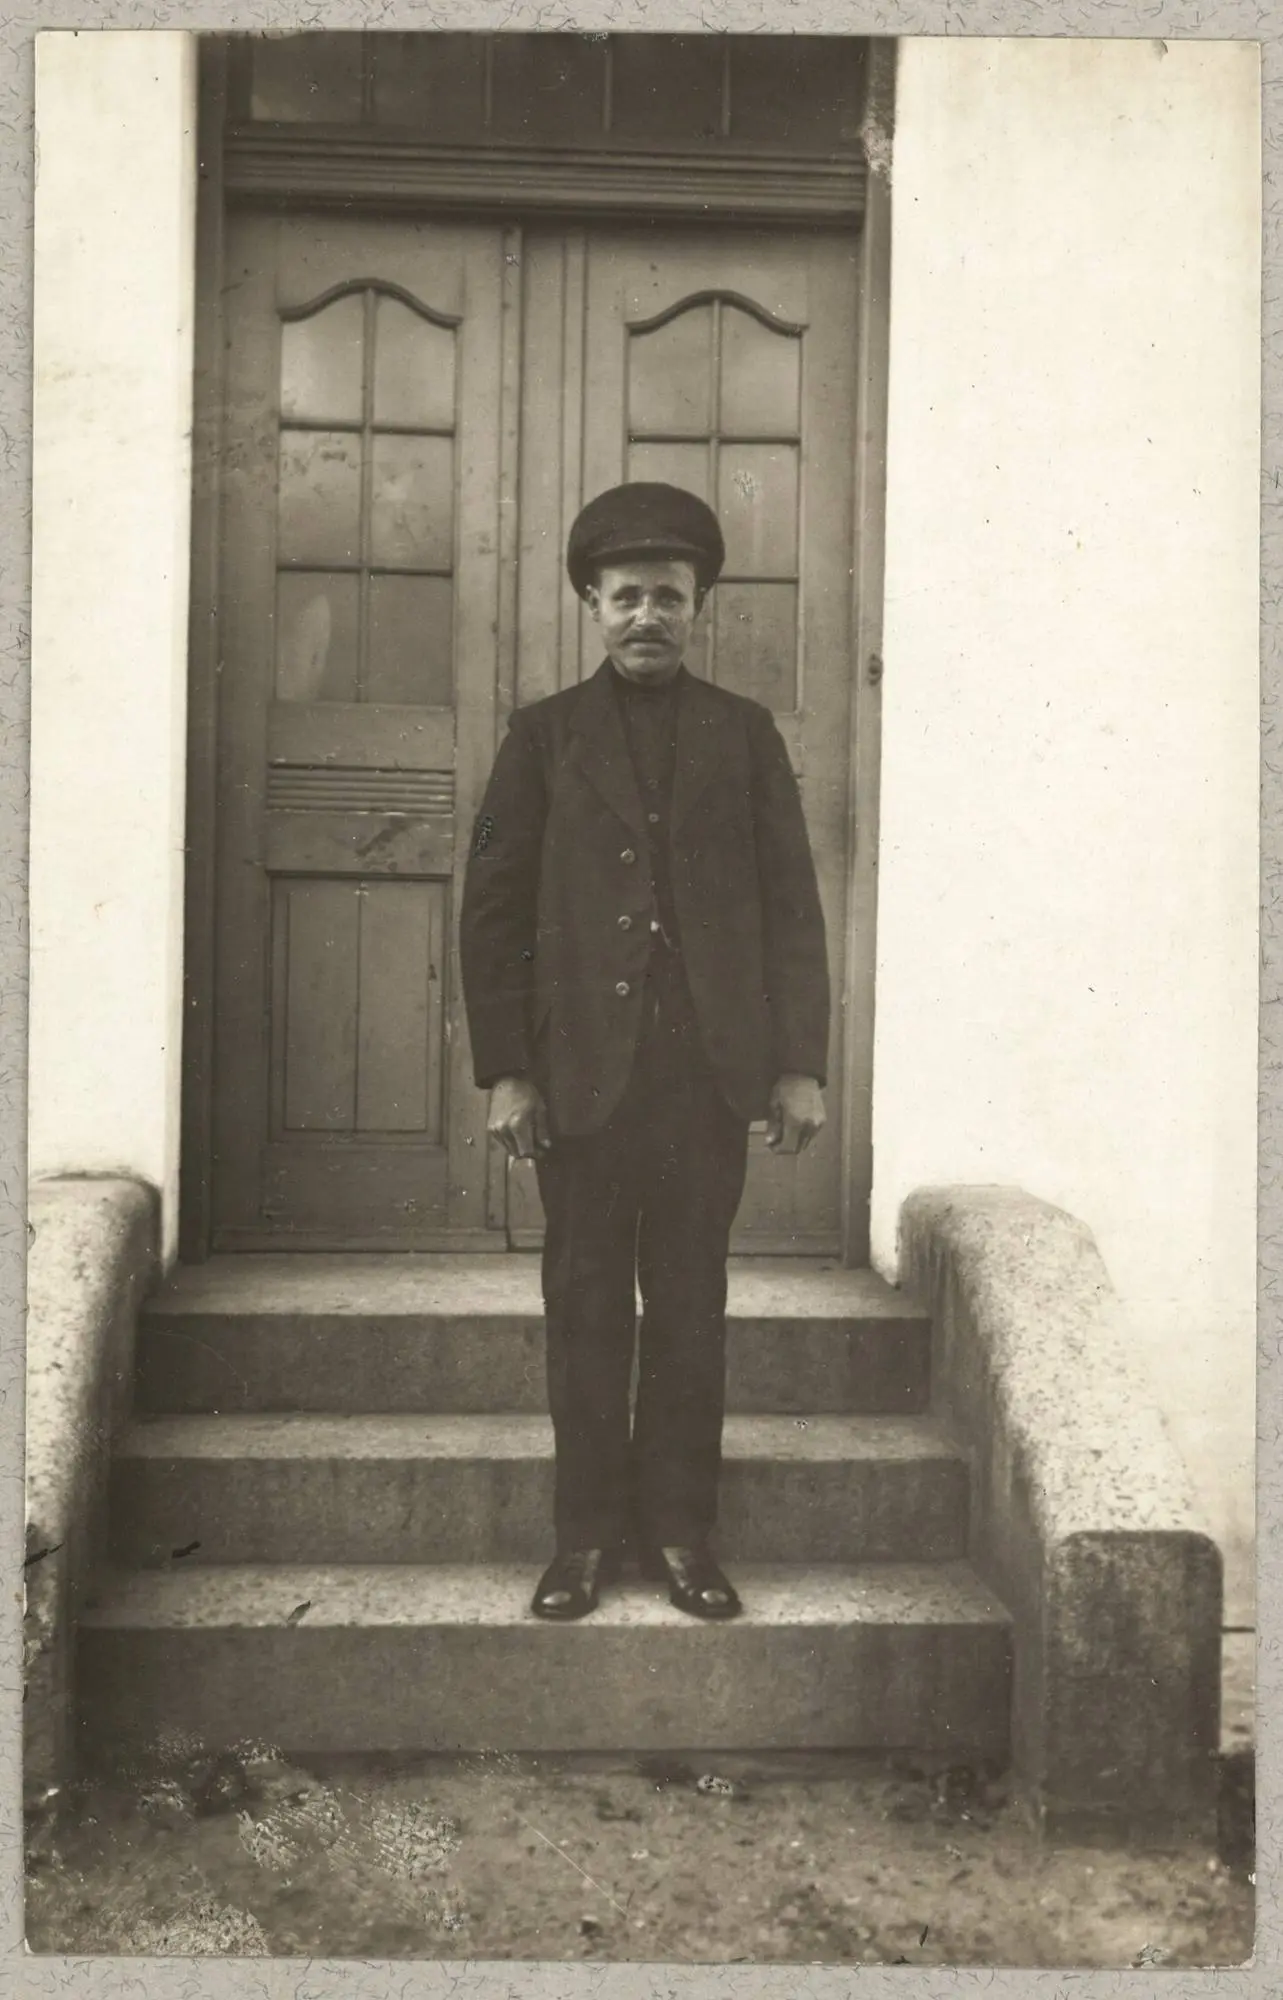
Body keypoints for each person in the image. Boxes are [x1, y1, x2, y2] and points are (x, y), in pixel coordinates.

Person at [460, 482, 829, 1622]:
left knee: (687, 1306)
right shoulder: (540, 736)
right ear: (592, 604)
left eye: (668, 597)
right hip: (581, 1079)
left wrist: (798, 1063)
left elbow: (791, 906)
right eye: (625, 597)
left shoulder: (745, 733)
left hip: (703, 1078)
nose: (646, 617)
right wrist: (508, 1069)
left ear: (697, 604)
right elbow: (492, 909)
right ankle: (581, 1538)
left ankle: (679, 1532)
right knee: (583, 1305)